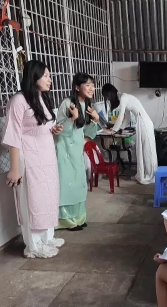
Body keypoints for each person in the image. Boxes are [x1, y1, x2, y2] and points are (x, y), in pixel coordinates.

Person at [1, 60, 64, 259]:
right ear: (34, 76)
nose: (50, 79)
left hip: (46, 156)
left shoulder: (42, 98)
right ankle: (33, 245)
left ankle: (47, 237)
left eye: (49, 76)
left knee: (47, 197)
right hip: (29, 159)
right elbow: (13, 134)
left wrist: (53, 129)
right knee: (32, 200)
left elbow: (41, 126)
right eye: (46, 75)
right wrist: (14, 168)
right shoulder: (18, 101)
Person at [54, 73, 100, 231]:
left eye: (92, 85)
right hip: (65, 149)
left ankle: (79, 218)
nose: (91, 88)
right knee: (67, 184)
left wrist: (95, 120)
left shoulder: (86, 105)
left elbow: (89, 133)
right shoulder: (67, 103)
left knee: (80, 185)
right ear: (77, 87)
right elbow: (59, 130)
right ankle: (66, 221)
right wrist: (72, 118)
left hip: (77, 151)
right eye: (87, 85)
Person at [102, 83, 157, 185]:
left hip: (144, 122)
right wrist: (117, 129)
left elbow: (121, 115)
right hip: (141, 122)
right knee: (143, 150)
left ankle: (151, 175)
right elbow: (127, 119)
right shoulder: (124, 98)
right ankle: (143, 174)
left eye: (107, 97)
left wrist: (113, 130)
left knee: (147, 150)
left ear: (110, 93)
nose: (108, 100)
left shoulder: (124, 97)